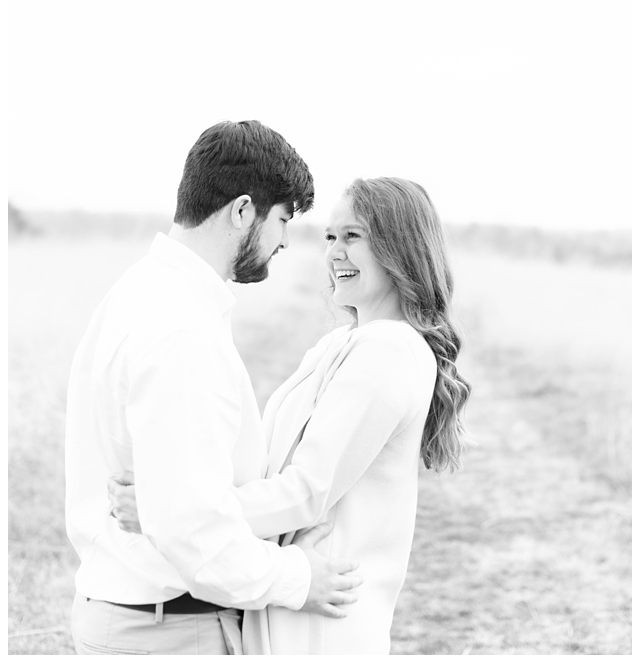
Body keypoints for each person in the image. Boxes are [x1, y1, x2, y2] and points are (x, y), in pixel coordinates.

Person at [109, 176, 470, 653]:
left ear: (398, 246)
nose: (335, 253)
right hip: (290, 605)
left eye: (353, 236)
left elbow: (307, 490)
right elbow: (270, 466)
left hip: (324, 621)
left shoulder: (391, 350)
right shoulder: (341, 343)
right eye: (330, 237)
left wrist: (170, 508)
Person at [63, 120, 362, 654]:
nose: (284, 242)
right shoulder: (181, 327)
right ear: (242, 210)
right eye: (281, 220)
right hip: (170, 634)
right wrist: (300, 578)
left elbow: (175, 499)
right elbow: (192, 528)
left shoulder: (138, 293)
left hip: (136, 622)